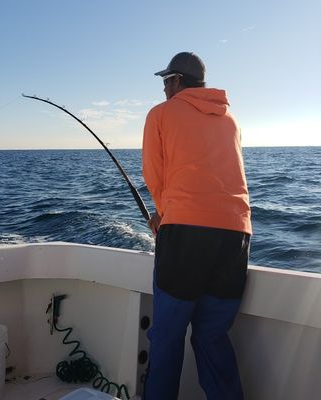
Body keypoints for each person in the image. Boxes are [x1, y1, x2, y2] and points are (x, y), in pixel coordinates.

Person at [142, 52, 252, 400]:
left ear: (177, 80)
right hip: (236, 237)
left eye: (166, 81)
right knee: (211, 335)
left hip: (185, 236)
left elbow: (154, 175)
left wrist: (162, 215)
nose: (163, 88)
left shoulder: (161, 114)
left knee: (167, 336)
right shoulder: (230, 119)